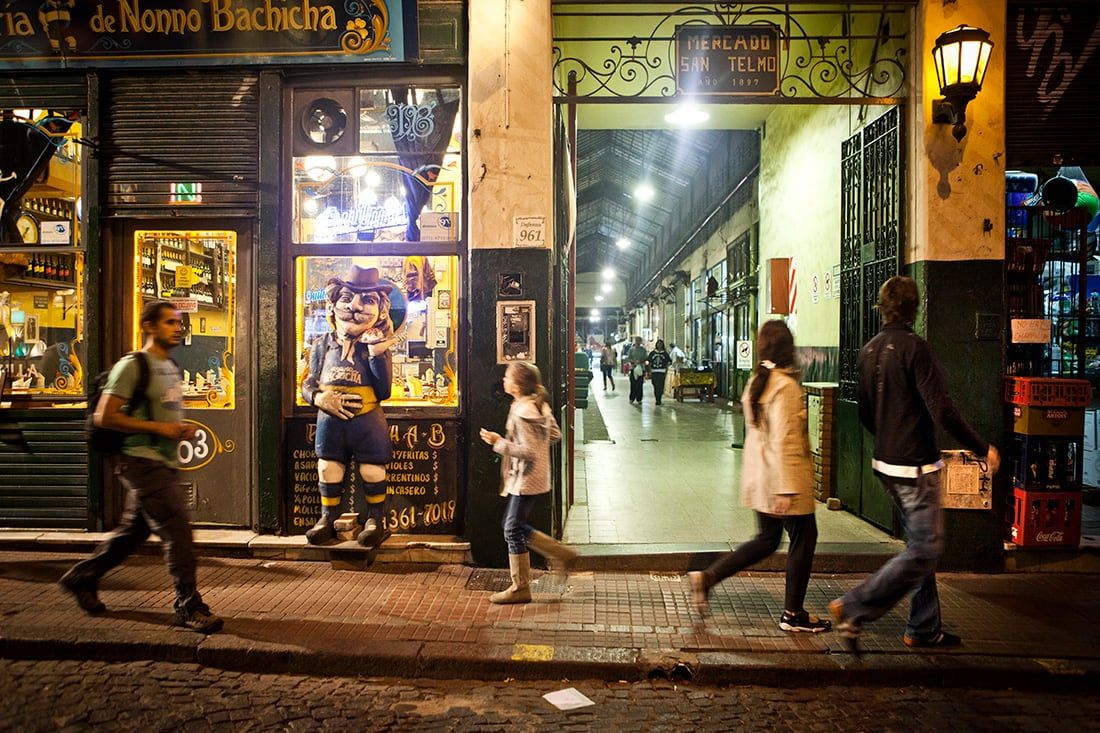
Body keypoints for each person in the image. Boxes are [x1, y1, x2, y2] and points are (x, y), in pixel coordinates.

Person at [830, 276, 1001, 654]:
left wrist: (886, 439)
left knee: (916, 546)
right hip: (916, 468)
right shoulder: (917, 349)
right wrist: (980, 447)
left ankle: (923, 627)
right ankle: (854, 606)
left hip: (886, 464)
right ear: (915, 308)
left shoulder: (870, 350)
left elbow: (866, 410)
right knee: (925, 550)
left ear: (882, 307)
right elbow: (941, 409)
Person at [59, 301, 222, 633]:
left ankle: (83, 576)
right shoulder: (132, 366)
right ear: (149, 326)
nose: (178, 327)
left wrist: (179, 429)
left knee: (133, 533)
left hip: (162, 461)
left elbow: (163, 412)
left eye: (179, 322)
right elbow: (105, 415)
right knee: (178, 530)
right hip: (139, 461)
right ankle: (188, 604)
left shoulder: (170, 366)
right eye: (169, 322)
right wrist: (161, 430)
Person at [687, 320, 831, 633]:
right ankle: (793, 614)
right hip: (783, 483)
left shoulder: (758, 381)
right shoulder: (785, 388)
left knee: (768, 540)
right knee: (804, 539)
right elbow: (785, 440)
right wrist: (786, 489)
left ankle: (708, 577)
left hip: (763, 478)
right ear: (788, 349)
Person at [301, 266, 397, 548]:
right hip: (330, 422)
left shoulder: (377, 347)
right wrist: (319, 398)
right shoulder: (322, 344)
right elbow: (308, 381)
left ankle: (376, 519)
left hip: (367, 420)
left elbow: (384, 391)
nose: (355, 306)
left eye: (367, 300)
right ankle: (328, 517)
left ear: (380, 310)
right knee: (328, 468)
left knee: (372, 470)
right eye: (347, 298)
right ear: (333, 303)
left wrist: (376, 355)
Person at [480, 361, 575, 604]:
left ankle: (521, 586)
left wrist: (498, 442)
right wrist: (539, 451)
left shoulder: (524, 412)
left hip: (526, 479)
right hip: (534, 477)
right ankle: (560, 554)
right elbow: (555, 434)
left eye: (507, 377)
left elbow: (528, 451)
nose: (504, 380)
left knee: (511, 528)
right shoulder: (535, 405)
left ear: (517, 385)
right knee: (514, 526)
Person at [624, 336, 649, 405]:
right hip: (633, 368)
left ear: (640, 342)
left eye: (639, 341)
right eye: (636, 340)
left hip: (641, 369)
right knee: (633, 384)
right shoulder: (631, 350)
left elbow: (646, 358)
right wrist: (633, 361)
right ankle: (632, 398)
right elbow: (628, 358)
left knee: (640, 384)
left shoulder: (643, 350)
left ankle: (639, 398)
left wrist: (640, 361)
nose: (637, 342)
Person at [647, 339, 672, 405]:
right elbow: (649, 362)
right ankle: (657, 397)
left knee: (660, 386)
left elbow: (668, 363)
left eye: (661, 344)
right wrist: (649, 371)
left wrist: (666, 371)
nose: (659, 345)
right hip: (654, 372)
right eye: (658, 343)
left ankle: (659, 399)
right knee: (655, 385)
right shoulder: (652, 353)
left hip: (662, 372)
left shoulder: (665, 353)